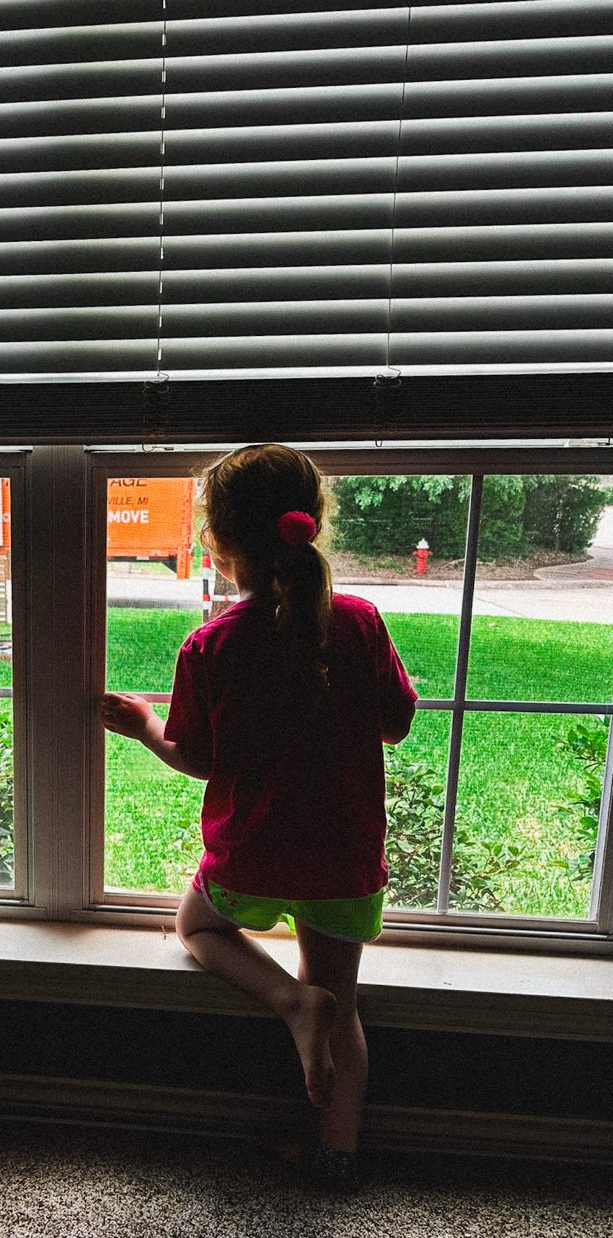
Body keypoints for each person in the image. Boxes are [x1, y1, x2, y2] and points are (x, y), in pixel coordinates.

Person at [102, 445, 416, 1194]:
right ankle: (337, 1158)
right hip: (344, 858)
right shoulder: (361, 621)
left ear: (217, 539)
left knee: (198, 926)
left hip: (252, 855)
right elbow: (397, 725)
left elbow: (199, 759)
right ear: (312, 524)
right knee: (344, 1007)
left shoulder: (211, 643)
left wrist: (144, 727)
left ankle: (287, 1000)